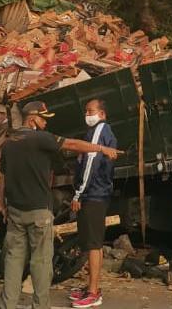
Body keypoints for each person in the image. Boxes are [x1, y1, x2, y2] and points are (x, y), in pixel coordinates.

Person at [0, 101, 120, 309]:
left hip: (15, 210)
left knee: (13, 260)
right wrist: (101, 148)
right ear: (32, 118)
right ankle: (40, 304)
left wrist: (2, 203)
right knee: (41, 261)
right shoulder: (41, 139)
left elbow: (2, 173)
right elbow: (72, 144)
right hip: (38, 211)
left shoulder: (9, 143)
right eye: (43, 118)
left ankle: (8, 304)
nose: (46, 123)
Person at [68, 99, 118, 309]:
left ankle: (93, 292)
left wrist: (78, 194)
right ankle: (90, 286)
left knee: (94, 244)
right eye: (86, 111)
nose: (87, 114)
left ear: (102, 114)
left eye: (91, 111)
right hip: (96, 193)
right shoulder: (98, 131)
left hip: (93, 195)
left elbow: (90, 163)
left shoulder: (99, 131)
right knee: (90, 243)